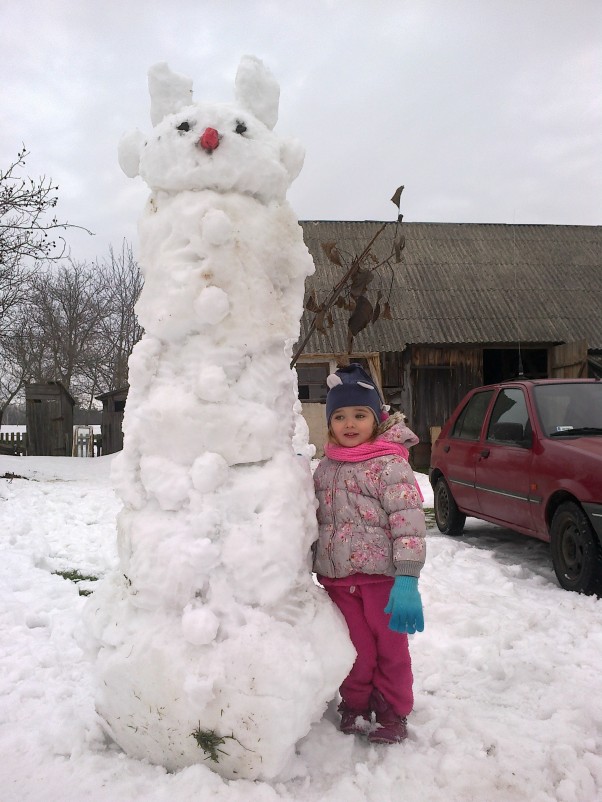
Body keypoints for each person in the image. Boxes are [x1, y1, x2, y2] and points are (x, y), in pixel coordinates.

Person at [312, 363, 426, 744]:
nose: (349, 423)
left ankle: (393, 711)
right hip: (339, 581)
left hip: (381, 581)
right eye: (340, 416)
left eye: (359, 415)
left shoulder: (390, 464)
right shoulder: (324, 468)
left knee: (390, 649)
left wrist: (408, 577)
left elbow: (408, 521)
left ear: (376, 419)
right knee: (355, 649)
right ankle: (356, 704)